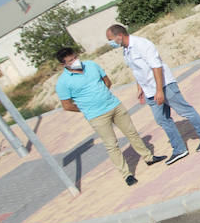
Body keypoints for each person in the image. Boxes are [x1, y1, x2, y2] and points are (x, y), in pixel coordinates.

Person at [54, 46, 161, 186]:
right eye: (70, 60)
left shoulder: (91, 65)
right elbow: (67, 105)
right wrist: (87, 108)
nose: (75, 61)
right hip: (96, 116)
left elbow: (107, 81)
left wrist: (103, 96)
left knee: (132, 133)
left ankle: (149, 157)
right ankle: (127, 175)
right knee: (112, 145)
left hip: (114, 106)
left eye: (75, 57)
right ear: (63, 65)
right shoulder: (63, 82)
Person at [106, 24, 200, 165]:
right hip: (149, 90)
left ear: (119, 36)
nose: (110, 43)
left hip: (164, 86)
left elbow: (156, 66)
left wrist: (160, 90)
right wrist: (140, 88)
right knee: (161, 119)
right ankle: (179, 149)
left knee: (185, 111)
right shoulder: (126, 50)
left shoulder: (142, 44)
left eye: (110, 39)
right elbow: (137, 70)